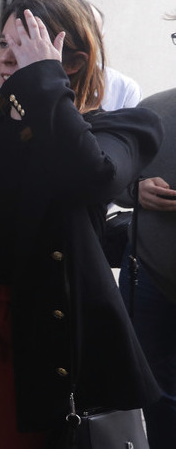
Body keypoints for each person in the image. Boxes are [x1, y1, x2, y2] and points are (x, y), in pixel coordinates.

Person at [0, 0, 162, 448]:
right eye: (3, 43)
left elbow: (93, 175)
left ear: (73, 62)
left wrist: (42, 79)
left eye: (25, 46)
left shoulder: (124, 128)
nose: (7, 57)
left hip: (28, 329)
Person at [118, 84, 176, 447]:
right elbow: (113, 175)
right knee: (155, 395)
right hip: (148, 276)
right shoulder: (154, 109)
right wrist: (135, 190)